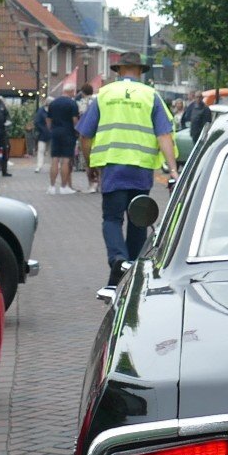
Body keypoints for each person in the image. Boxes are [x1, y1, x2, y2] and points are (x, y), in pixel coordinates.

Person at [78, 51, 178, 288]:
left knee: (111, 218)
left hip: (113, 168)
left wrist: (90, 164)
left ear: (119, 70)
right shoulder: (151, 96)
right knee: (138, 221)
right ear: (140, 71)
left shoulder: (104, 95)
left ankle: (118, 259)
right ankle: (133, 270)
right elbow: (164, 135)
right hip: (141, 169)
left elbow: (85, 135)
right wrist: (172, 169)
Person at [47, 85, 81, 194]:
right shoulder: (72, 103)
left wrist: (51, 130)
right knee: (65, 160)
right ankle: (63, 187)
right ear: (71, 91)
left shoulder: (53, 103)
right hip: (68, 133)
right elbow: (75, 120)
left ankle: (51, 187)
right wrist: (77, 131)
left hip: (55, 132)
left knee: (55, 159)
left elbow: (48, 119)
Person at [78, 82, 98, 192]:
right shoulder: (97, 100)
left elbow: (81, 117)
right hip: (99, 134)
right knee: (98, 159)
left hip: (86, 133)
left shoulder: (82, 102)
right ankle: (99, 182)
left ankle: (91, 184)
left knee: (88, 160)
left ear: (82, 92)